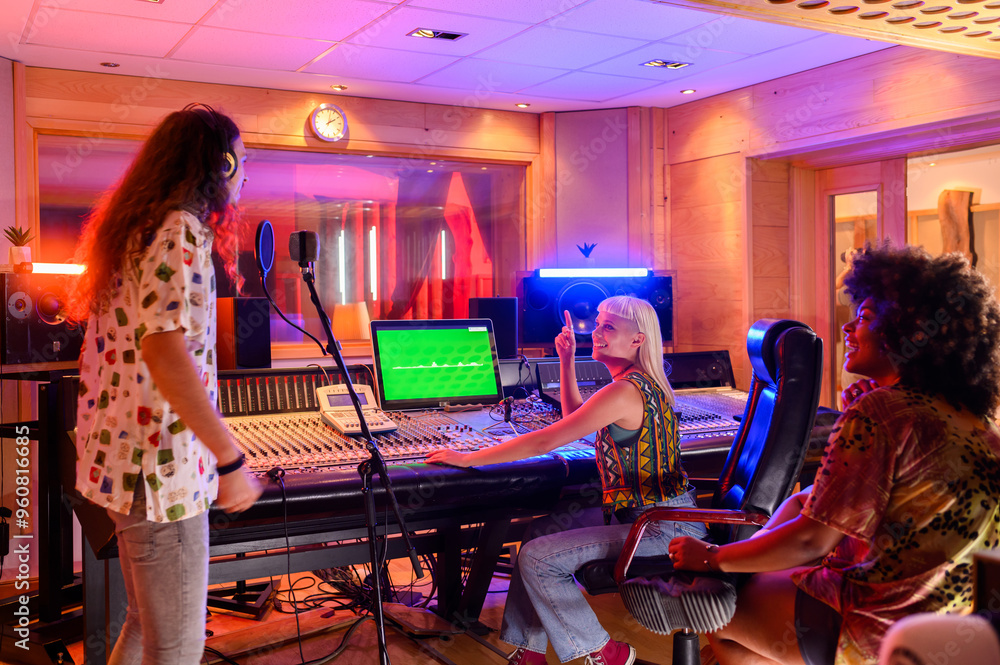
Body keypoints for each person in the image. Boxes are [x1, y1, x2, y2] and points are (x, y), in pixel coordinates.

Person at [668, 244, 1000, 665]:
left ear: (910, 329)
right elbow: (810, 504)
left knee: (716, 606)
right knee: (754, 587)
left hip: (874, 622)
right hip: (950, 623)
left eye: (863, 317)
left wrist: (713, 558)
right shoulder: (978, 424)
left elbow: (812, 538)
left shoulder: (884, 412)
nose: (847, 329)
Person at [69, 104, 262, 665]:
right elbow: (165, 351)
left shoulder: (137, 230)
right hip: (163, 481)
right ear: (218, 164)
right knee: (176, 648)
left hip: (124, 471)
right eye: (241, 161)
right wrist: (230, 460)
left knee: (145, 626)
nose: (245, 175)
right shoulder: (181, 230)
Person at [427, 296, 707, 665]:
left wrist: (469, 458)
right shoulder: (638, 384)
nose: (596, 331)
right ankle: (529, 653)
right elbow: (577, 418)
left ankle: (606, 652)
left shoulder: (624, 391)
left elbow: (547, 439)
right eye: (598, 323)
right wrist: (566, 359)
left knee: (540, 559)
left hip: (660, 528)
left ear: (637, 340)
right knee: (540, 533)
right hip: (649, 518)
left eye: (609, 326)